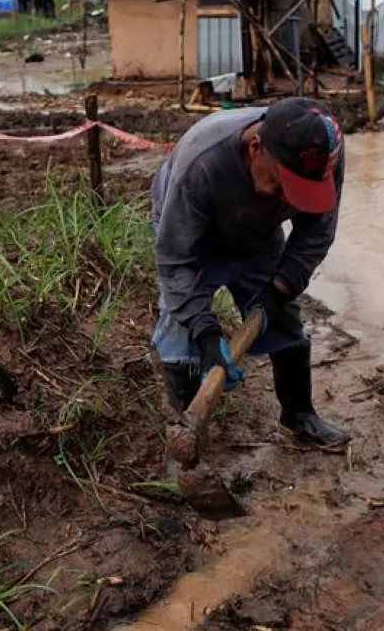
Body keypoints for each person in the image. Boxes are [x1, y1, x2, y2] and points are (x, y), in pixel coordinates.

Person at [150, 97, 349, 449]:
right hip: (191, 236)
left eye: (299, 194)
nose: (286, 198)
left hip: (259, 234)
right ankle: (189, 435)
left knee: (285, 321)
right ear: (256, 148)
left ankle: (299, 417)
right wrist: (206, 334)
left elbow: (316, 231)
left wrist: (279, 289)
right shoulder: (202, 162)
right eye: (279, 184)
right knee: (180, 333)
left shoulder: (324, 151)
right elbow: (177, 260)